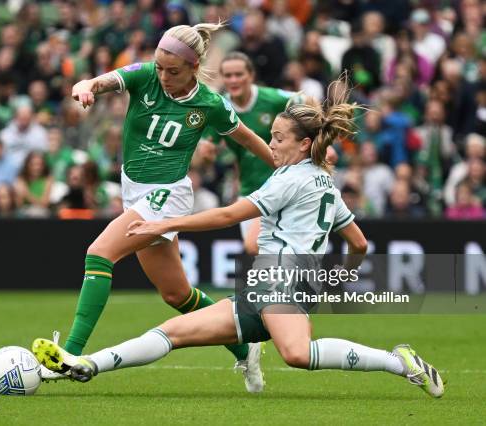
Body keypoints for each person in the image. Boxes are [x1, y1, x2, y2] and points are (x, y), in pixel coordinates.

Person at [33, 81, 444, 399]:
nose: (271, 145)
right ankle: (85, 364)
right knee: (172, 332)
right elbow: (358, 244)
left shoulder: (289, 179)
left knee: (298, 355)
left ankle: (398, 361)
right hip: (265, 284)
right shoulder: (326, 185)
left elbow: (230, 215)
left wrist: (162, 226)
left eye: (279, 138)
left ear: (303, 144)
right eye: (272, 136)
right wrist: (337, 281)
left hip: (282, 282)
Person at [39, 23, 276, 392]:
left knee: (99, 254)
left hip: (168, 194)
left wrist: (286, 170)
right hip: (135, 192)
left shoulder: (209, 105)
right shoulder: (145, 75)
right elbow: (103, 81)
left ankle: (69, 354)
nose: (164, 76)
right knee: (177, 295)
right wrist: (86, 86)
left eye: (174, 71)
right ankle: (246, 348)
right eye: (161, 67)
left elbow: (247, 139)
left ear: (194, 67)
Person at [205, 52, 299, 255]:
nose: (233, 80)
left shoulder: (272, 99)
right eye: (228, 75)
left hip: (281, 186)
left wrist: (322, 144)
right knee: (261, 252)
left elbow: (304, 100)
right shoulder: (219, 107)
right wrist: (206, 152)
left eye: (239, 74)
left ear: (251, 75)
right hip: (248, 190)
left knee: (254, 245)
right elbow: (207, 149)